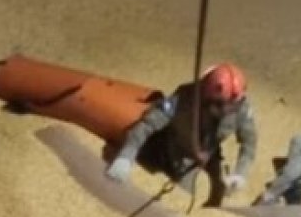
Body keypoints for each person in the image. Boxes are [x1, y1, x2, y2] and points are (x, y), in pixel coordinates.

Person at [105, 63, 257, 207]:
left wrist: (240, 173)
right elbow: (147, 125)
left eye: (232, 105)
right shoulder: (184, 98)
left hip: (209, 153)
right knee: (184, 200)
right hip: (177, 153)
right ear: (206, 97)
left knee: (219, 195)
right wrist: (126, 156)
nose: (226, 110)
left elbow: (249, 143)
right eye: (220, 105)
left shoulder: (241, 108)